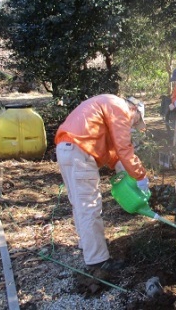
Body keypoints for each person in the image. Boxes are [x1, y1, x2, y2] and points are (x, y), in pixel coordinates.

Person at [54, 95, 149, 272]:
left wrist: (126, 173)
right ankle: (97, 261)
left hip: (66, 149)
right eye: (136, 122)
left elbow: (114, 152)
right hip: (80, 153)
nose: (134, 126)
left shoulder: (107, 104)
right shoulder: (120, 107)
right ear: (134, 110)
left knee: (79, 203)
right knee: (90, 206)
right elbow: (123, 147)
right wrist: (140, 176)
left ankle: (87, 244)